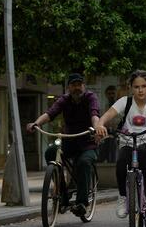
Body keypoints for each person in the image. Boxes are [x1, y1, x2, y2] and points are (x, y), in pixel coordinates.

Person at [95, 70, 146, 217]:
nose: (140, 90)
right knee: (121, 162)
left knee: (143, 153)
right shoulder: (125, 102)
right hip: (128, 142)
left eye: (144, 86)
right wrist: (100, 124)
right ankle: (123, 197)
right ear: (131, 87)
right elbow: (107, 115)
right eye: (136, 87)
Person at [27, 73, 101, 218]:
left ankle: (81, 203)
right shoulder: (64, 100)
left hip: (87, 143)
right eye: (73, 85)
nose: (77, 88)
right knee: (50, 152)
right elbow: (50, 113)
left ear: (84, 86)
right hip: (69, 141)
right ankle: (61, 190)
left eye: (79, 85)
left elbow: (94, 114)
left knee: (84, 162)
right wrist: (36, 123)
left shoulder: (90, 97)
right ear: (68, 87)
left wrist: (97, 128)